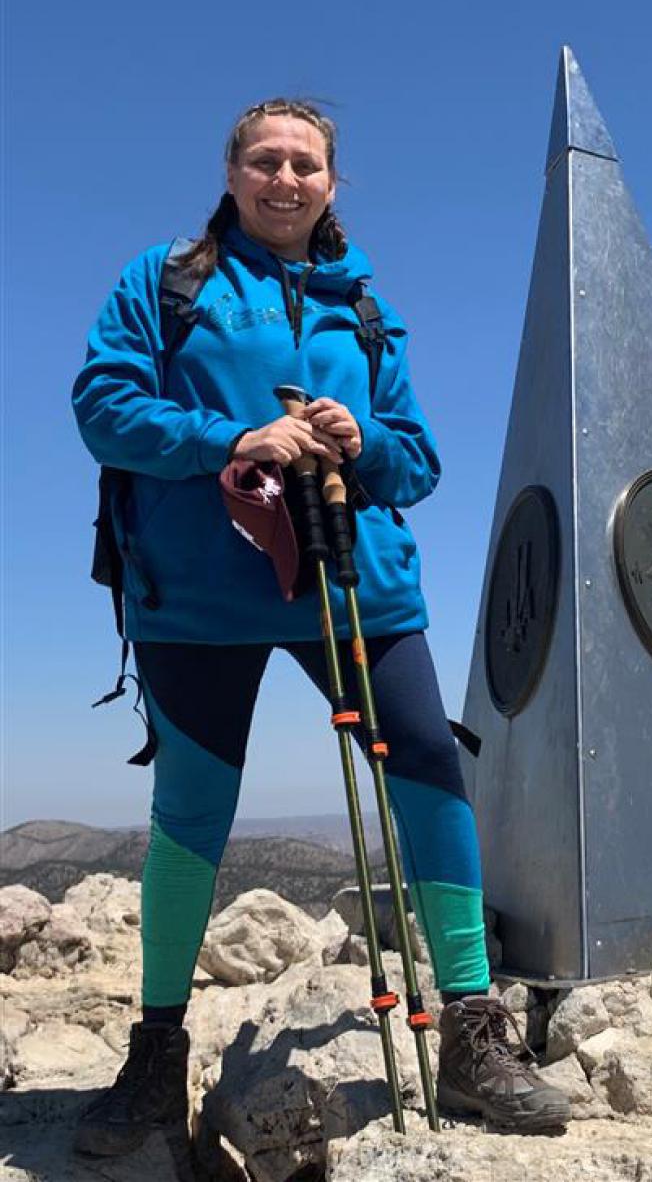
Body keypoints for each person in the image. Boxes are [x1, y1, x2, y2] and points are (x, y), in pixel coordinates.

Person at [71, 97, 569, 1154]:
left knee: (430, 769)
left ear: (331, 184)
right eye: (266, 160)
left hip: (354, 581)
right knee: (194, 805)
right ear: (233, 171)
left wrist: (362, 437)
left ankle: (473, 1033)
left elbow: (418, 460)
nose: (285, 178)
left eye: (306, 163)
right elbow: (102, 407)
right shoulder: (167, 280)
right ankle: (157, 1053)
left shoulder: (363, 304)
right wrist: (233, 435)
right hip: (200, 592)